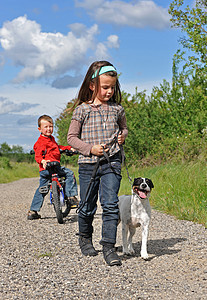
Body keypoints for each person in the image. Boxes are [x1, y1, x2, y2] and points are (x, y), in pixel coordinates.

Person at [67, 61, 128, 266]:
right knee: (87, 206)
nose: (109, 91)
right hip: (88, 164)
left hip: (112, 163)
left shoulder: (117, 109)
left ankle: (109, 247)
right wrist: (90, 148)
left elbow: (124, 129)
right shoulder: (82, 110)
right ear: (93, 85)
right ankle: (85, 238)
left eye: (112, 87)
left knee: (111, 204)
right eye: (105, 87)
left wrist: (122, 136)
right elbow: (71, 138)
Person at [27, 115, 79, 220]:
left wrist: (69, 149)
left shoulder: (51, 139)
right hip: (48, 168)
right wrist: (42, 160)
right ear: (39, 129)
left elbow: (57, 148)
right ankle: (71, 196)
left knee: (42, 189)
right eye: (45, 127)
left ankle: (33, 211)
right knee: (69, 174)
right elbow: (37, 155)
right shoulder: (40, 142)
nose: (48, 129)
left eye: (50, 126)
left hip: (48, 170)